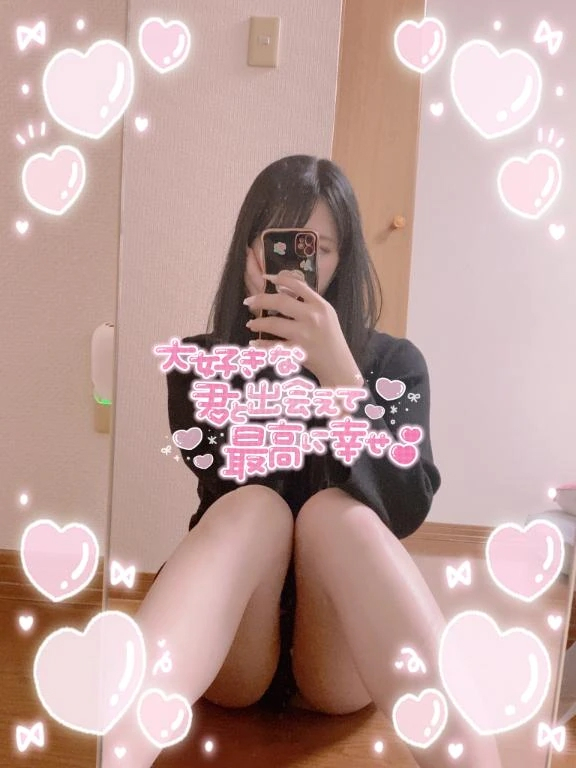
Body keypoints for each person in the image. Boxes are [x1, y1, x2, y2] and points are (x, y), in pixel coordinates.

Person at [101, 156, 501, 768]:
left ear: (344, 260)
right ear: (249, 251)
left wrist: (341, 378)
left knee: (336, 516)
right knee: (257, 508)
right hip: (235, 646)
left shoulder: (395, 366)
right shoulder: (200, 362)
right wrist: (270, 367)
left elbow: (404, 508)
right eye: (279, 243)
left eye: (321, 249)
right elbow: (226, 478)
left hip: (340, 655)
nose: (298, 268)